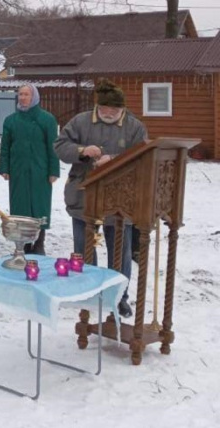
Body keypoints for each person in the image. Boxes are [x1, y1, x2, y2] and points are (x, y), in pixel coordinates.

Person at [54, 79, 148, 318]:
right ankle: (88, 291)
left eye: (114, 111)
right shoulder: (81, 121)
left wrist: (113, 160)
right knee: (84, 248)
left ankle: (120, 297)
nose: (108, 114)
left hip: (121, 201)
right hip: (83, 197)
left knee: (121, 252)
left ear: (122, 110)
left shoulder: (135, 127)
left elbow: (142, 158)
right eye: (104, 109)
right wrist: (81, 151)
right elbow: (60, 146)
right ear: (97, 107)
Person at [0, 83, 59, 254]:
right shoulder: (11, 120)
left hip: (41, 171)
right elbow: (5, 146)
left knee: (40, 206)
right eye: (20, 94)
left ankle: (39, 243)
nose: (23, 97)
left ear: (34, 97)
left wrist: (54, 170)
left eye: (26, 94)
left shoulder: (47, 120)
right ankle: (23, 244)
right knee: (20, 207)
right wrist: (5, 167)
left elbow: (53, 147)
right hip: (18, 170)